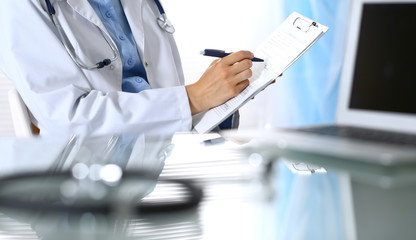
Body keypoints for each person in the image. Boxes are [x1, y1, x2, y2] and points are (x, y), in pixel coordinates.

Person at [0, 0, 255, 137]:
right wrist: (192, 99)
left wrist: (224, 94)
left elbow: (167, 104)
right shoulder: (17, 6)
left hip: (163, 171)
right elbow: (68, 120)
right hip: (86, 194)